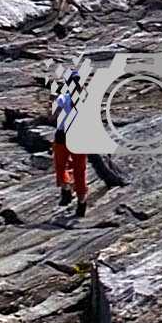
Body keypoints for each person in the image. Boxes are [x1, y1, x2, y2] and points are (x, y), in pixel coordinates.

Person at [49, 64, 90, 219]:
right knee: (79, 171)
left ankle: (67, 190)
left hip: (64, 137)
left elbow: (53, 116)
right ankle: (81, 201)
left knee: (62, 166)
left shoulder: (65, 98)